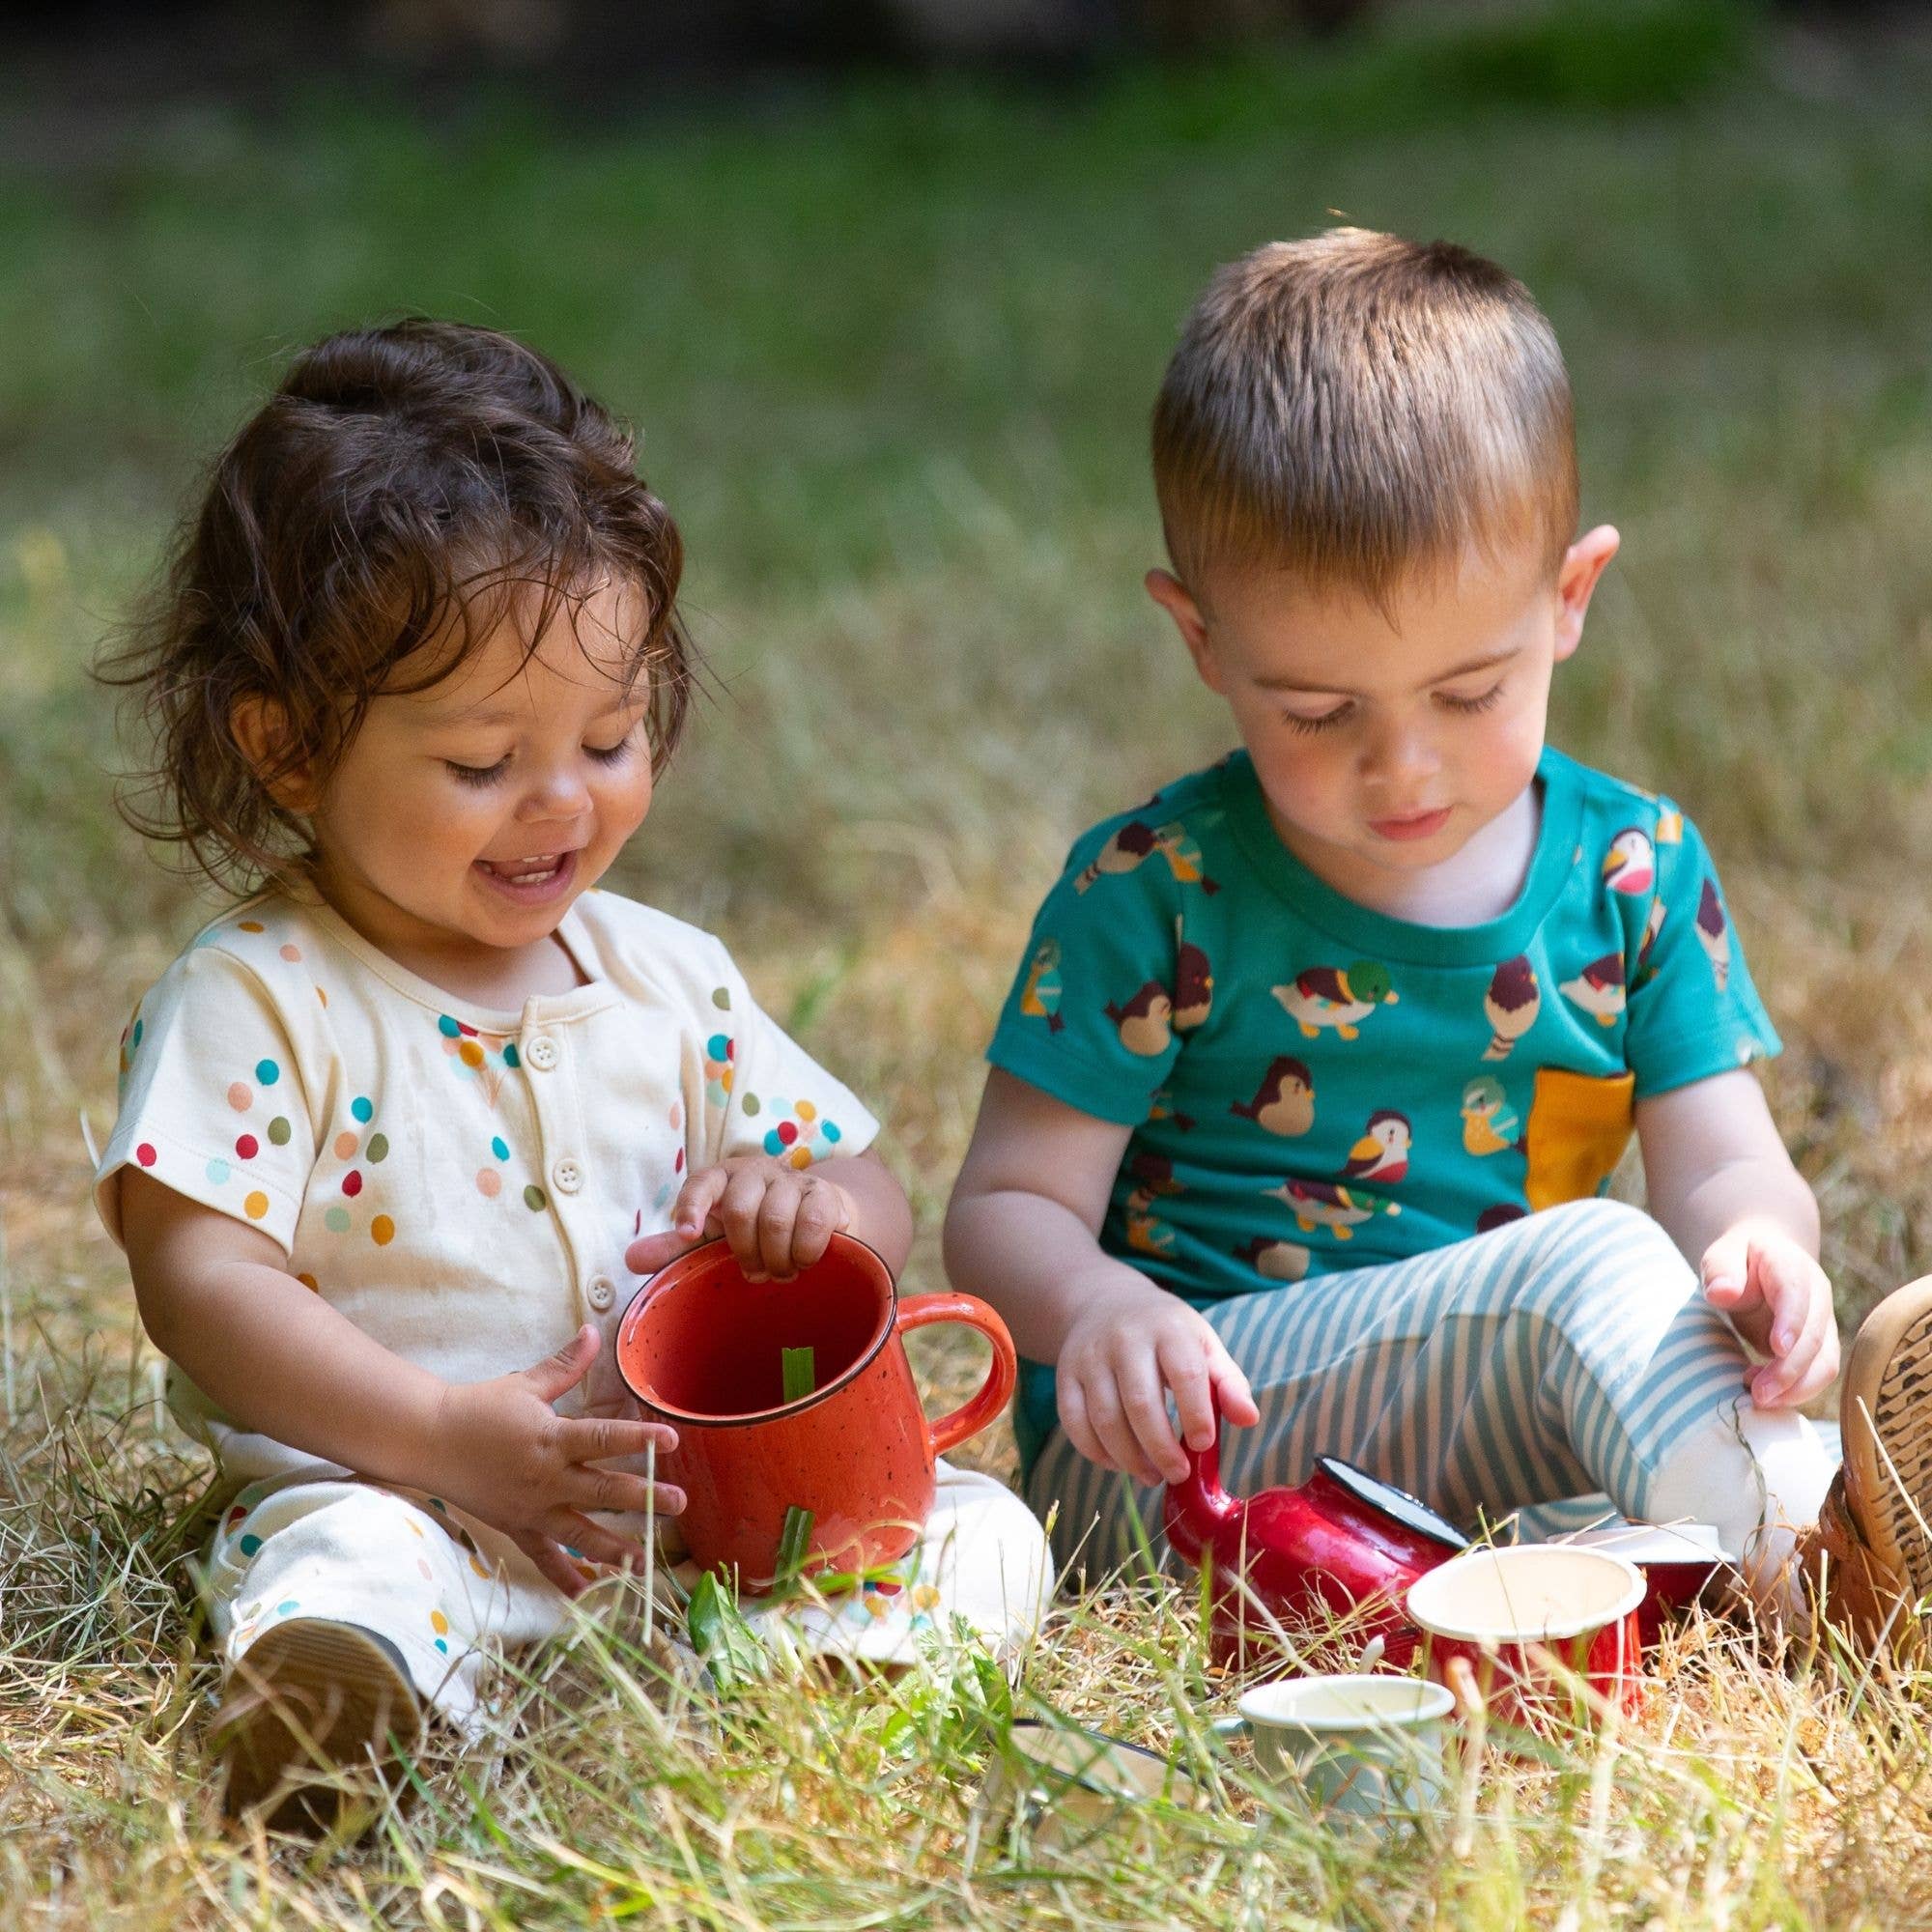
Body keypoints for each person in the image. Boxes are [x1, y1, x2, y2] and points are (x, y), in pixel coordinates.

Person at [96, 322, 1038, 1829]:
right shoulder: (263, 997)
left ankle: (811, 1684)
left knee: (981, 1529)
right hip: (422, 1510)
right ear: (283, 750)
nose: (561, 804)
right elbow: (197, 1276)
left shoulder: (664, 978)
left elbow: (866, 1181)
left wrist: (813, 1210)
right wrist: (433, 1436)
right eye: (480, 766)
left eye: (610, 737)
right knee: (341, 1566)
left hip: (710, 1537)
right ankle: (353, 1717)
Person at [944, 229, 1932, 1651]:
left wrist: (1764, 1255)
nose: (1402, 769)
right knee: (1589, 1273)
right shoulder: (1154, 889)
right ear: (1202, 642)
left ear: (1570, 601)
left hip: (1465, 1455)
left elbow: (1723, 1162)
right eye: (1318, 712)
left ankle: (1718, 1564)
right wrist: (1096, 1309)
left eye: (1468, 692)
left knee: (1612, 1479)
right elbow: (1004, 1209)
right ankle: (1817, 1565)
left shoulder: (1631, 872)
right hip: (1179, 1459)